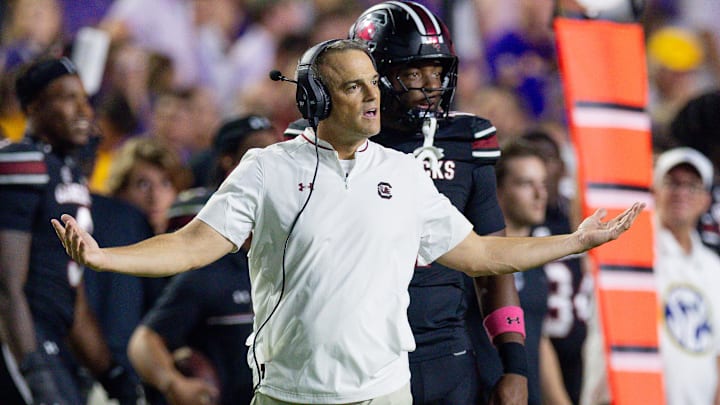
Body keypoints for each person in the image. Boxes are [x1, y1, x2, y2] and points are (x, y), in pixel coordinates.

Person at [52, 39, 643, 404]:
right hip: (288, 395)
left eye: (372, 83)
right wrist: (104, 257)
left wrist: (576, 241)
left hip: (385, 394)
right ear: (313, 101)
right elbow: (189, 247)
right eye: (351, 86)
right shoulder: (267, 169)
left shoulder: (406, 174)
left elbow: (483, 256)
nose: (372, 96)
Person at [348, 2, 526, 403]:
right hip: (360, 352)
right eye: (413, 71)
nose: (431, 84)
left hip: (449, 350)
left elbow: (495, 263)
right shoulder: (328, 143)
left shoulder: (466, 139)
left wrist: (515, 364)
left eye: (437, 70)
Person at [0, 57, 141, 405]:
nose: (83, 110)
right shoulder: (21, 162)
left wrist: (109, 371)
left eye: (84, 98)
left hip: (50, 338)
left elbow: (70, 292)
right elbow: (5, 287)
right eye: (66, 97)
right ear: (34, 106)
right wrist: (32, 366)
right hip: (18, 340)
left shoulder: (66, 172)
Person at [127, 115, 279, 405]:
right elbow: (144, 341)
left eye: (278, 150)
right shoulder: (212, 266)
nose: (274, 161)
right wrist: (174, 383)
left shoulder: (290, 247)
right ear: (229, 162)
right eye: (260, 152)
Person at [652, 147, 720, 405]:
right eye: (673, 182)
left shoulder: (713, 267)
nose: (681, 192)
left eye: (692, 185)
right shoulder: (633, 253)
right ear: (655, 190)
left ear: (705, 199)